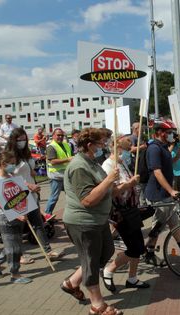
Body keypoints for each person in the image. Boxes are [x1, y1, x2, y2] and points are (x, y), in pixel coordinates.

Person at [60, 128, 123, 315]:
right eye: (101, 143)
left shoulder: (91, 162)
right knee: (90, 260)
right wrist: (109, 179)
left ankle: (71, 283)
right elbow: (87, 200)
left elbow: (105, 191)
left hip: (99, 220)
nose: (104, 146)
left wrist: (124, 185)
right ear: (89, 145)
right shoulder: (79, 166)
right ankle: (97, 305)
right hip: (83, 222)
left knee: (106, 252)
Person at [143, 119, 180, 265]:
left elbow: (168, 164)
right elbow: (157, 172)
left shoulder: (163, 146)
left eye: (172, 132)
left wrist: (177, 156)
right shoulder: (154, 148)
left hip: (165, 193)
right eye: (169, 132)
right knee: (158, 226)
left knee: (174, 222)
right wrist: (171, 190)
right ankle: (147, 252)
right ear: (159, 132)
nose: (171, 135)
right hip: (158, 194)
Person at [5, 128, 62, 260]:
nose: (22, 142)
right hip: (17, 195)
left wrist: (32, 172)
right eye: (19, 139)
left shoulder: (26, 153)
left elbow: (28, 168)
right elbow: (7, 178)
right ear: (13, 140)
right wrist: (26, 185)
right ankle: (19, 255)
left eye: (24, 139)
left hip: (32, 194)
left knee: (38, 223)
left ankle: (48, 250)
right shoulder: (8, 156)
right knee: (18, 228)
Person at [100, 136, 148, 292]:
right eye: (126, 147)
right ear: (115, 147)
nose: (128, 150)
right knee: (135, 248)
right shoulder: (108, 166)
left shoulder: (122, 163)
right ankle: (109, 269)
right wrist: (130, 184)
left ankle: (132, 278)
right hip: (120, 213)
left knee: (138, 246)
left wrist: (133, 182)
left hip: (131, 210)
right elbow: (111, 192)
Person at [0, 151, 32, 284]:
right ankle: (15, 274)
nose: (14, 166)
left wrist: (25, 207)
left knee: (13, 245)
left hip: (18, 215)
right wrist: (18, 215)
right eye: (12, 164)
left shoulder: (12, 175)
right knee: (14, 248)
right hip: (6, 218)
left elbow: (20, 193)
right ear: (3, 164)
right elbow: (1, 203)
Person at [43, 128, 73, 220]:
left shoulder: (66, 145)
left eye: (61, 135)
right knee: (54, 197)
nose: (60, 137)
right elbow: (53, 161)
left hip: (66, 176)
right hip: (56, 176)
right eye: (58, 135)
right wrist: (68, 159)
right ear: (53, 136)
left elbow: (70, 157)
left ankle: (73, 211)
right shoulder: (51, 147)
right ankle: (47, 214)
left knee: (72, 194)